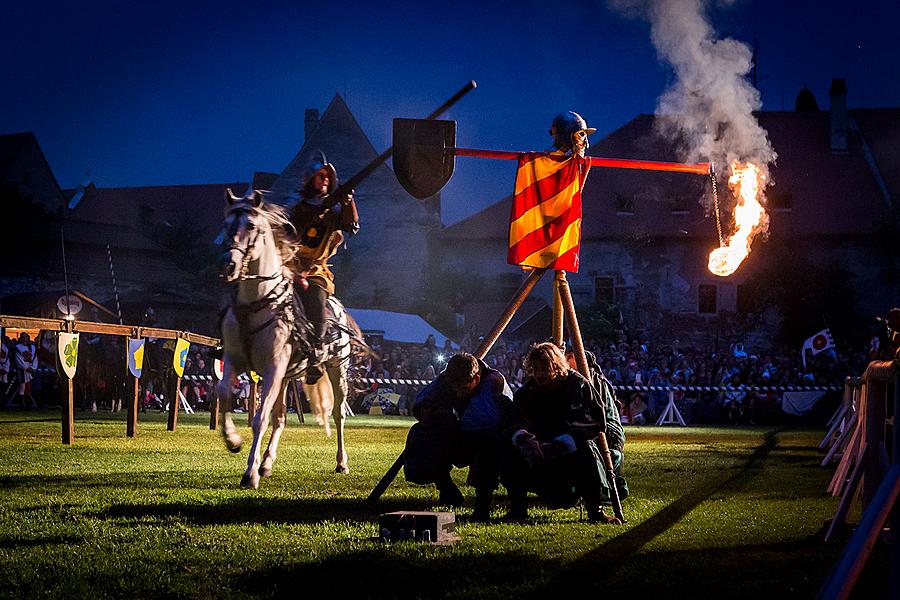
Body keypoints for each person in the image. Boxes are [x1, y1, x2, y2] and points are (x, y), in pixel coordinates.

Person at [502, 342, 628, 523]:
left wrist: (562, 443)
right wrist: (525, 439)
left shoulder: (578, 385)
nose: (539, 374)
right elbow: (512, 421)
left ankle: (595, 511)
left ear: (555, 366)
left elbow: (595, 422)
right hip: (537, 452)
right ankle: (518, 509)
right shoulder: (528, 391)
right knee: (507, 447)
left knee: (587, 449)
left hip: (570, 453)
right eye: (536, 369)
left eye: (544, 368)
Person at [403, 352, 514, 520]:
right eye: (453, 387)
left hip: (497, 440)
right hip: (463, 435)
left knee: (487, 441)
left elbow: (482, 419)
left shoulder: (493, 382)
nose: (457, 392)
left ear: (476, 378)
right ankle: (445, 487)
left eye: (462, 387)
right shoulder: (448, 379)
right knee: (422, 432)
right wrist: (433, 414)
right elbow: (422, 403)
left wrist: (450, 425)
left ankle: (482, 506)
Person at [290, 151, 359, 384]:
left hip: (317, 272)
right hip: (290, 267)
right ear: (310, 179)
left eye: (327, 176)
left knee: (315, 302)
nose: (325, 179)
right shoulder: (298, 210)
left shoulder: (334, 210)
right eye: (320, 176)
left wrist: (348, 202)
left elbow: (351, 226)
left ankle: (315, 354)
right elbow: (288, 238)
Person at [11, 332, 38, 409]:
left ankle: (28, 405)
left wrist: (32, 368)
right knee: (22, 386)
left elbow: (35, 358)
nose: (24, 339)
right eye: (22, 337)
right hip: (22, 369)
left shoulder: (32, 347)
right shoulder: (18, 347)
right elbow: (18, 359)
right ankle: (22, 405)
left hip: (30, 369)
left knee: (29, 386)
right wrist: (26, 367)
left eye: (25, 337)